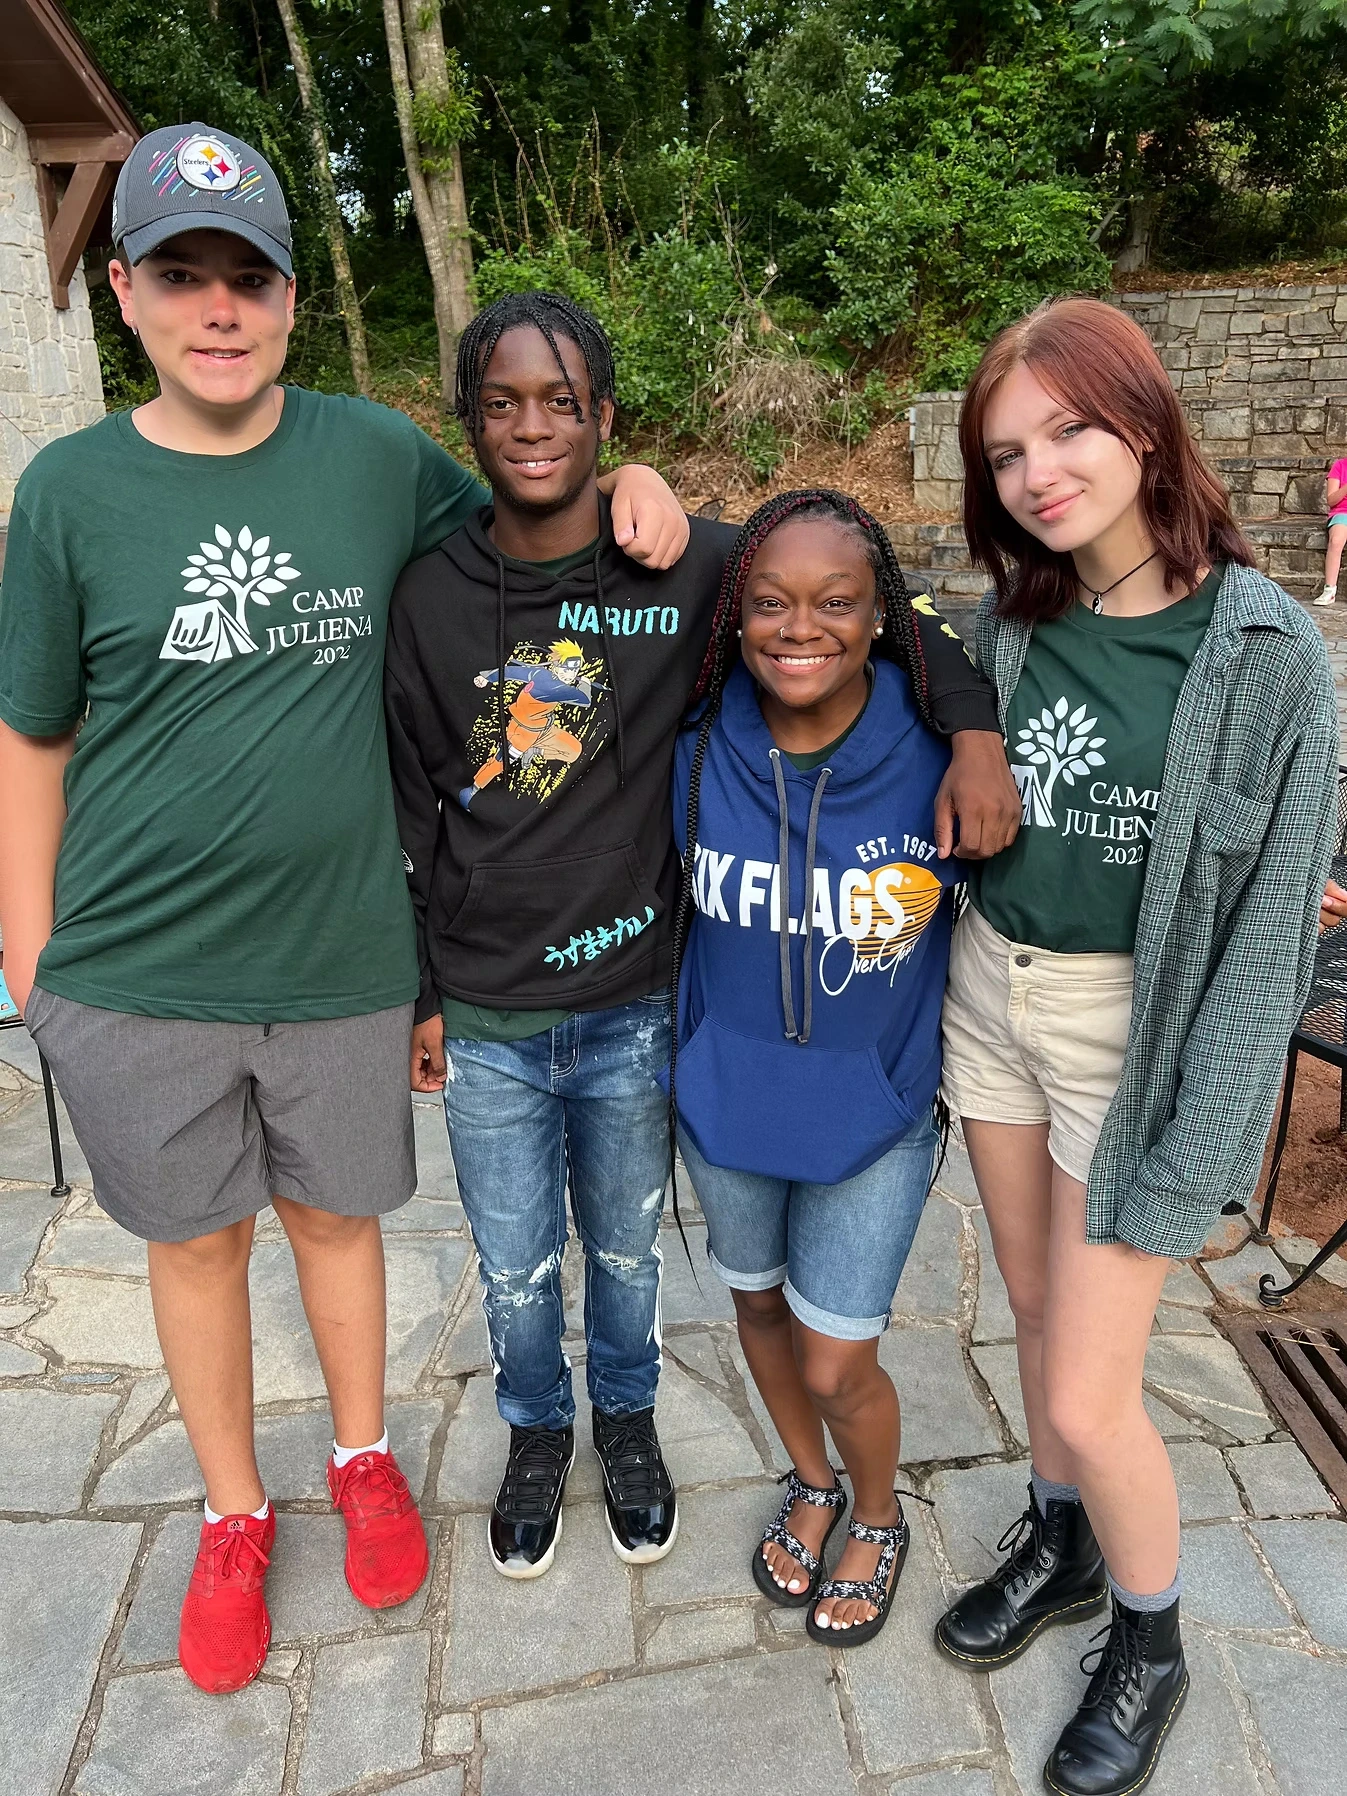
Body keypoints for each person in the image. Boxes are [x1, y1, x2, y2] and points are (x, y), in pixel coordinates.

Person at [0, 123, 690, 1696]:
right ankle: (235, 1512)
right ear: (125, 294)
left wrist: (640, 476)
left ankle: (364, 1457)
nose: (218, 306)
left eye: (248, 276)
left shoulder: (373, 458)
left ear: (294, 299)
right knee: (195, 1249)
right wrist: (32, 966)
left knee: (337, 1223)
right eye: (182, 274)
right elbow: (27, 733)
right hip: (133, 968)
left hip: (340, 964)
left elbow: (539, 510)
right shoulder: (69, 491)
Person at [384, 292, 1021, 1581]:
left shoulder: (694, 567)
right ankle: (534, 1430)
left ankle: (626, 1422)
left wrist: (974, 728)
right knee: (514, 1264)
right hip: (493, 1009)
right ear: (466, 419)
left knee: (627, 1251)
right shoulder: (432, 593)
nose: (533, 426)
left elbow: (887, 607)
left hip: (634, 1004)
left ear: (605, 417)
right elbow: (409, 806)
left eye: (565, 403)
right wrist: (420, 987)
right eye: (501, 402)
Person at [933, 297, 1339, 1796]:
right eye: (1006, 452)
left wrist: (1201, 1140)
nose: (1038, 472)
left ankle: (1153, 1637)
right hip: (992, 997)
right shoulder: (1017, 618)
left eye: (1068, 430)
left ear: (1144, 421)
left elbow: (1265, 943)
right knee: (1033, 1321)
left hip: (1136, 1037)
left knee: (1101, 1391)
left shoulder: (1266, 653)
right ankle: (1060, 1543)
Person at [667, 488, 962, 1646]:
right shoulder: (697, 742)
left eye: (838, 602)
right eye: (774, 602)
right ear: (737, 615)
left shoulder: (937, 746)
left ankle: (877, 1511)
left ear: (882, 612)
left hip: (870, 1116)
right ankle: (810, 1478)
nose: (803, 627)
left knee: (841, 1358)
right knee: (757, 1312)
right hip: (727, 1103)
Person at [1313, 450, 1347, 605]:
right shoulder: (1340, 466)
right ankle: (1329, 590)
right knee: (1336, 541)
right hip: (1342, 512)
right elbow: (1331, 500)